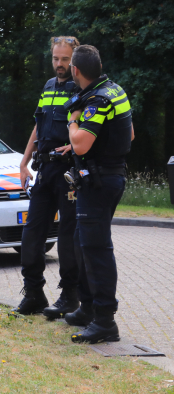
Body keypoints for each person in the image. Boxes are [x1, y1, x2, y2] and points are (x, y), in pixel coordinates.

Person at [65, 45, 133, 343]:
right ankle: (88, 308)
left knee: (96, 250)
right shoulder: (115, 90)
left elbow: (80, 143)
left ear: (75, 71)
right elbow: (127, 134)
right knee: (83, 243)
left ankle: (105, 321)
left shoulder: (97, 100)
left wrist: (73, 121)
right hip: (108, 175)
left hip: (99, 182)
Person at [13, 36, 80, 317]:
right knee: (32, 233)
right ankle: (34, 293)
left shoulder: (82, 89)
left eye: (65, 59)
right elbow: (38, 127)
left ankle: (69, 297)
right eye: (56, 58)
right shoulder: (49, 86)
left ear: (74, 60)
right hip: (44, 170)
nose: (60, 64)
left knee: (66, 237)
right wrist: (23, 162)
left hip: (68, 171)